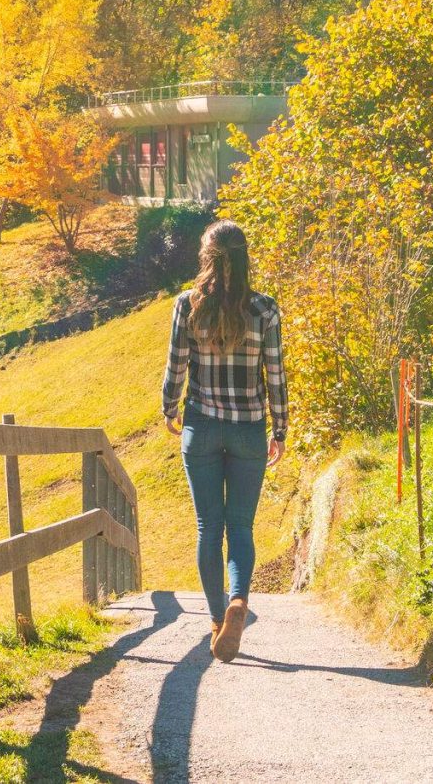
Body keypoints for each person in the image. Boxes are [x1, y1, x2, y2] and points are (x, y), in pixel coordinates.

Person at [160, 219, 286, 662]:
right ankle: (238, 601)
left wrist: (169, 408)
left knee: (208, 528)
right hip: (249, 428)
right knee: (241, 528)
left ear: (207, 257)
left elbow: (176, 365)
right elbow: (275, 373)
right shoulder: (265, 309)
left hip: (203, 428)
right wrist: (281, 428)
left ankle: (218, 620)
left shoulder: (187, 305)